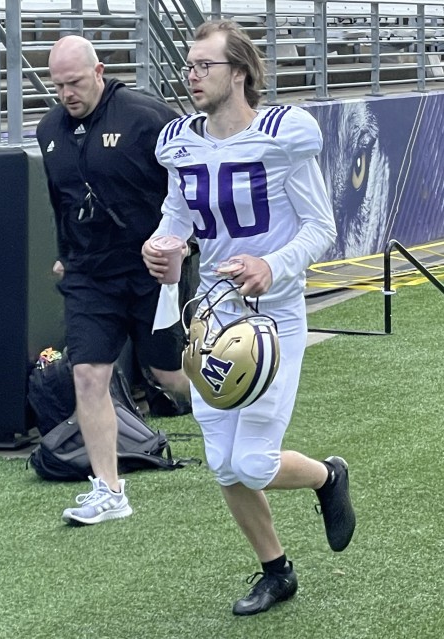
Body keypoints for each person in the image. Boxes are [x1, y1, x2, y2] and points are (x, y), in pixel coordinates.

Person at [141, 20, 355, 617]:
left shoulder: (283, 134)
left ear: (239, 72)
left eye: (204, 65)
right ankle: (276, 570)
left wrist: (272, 265)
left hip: (272, 317)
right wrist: (164, 247)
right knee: (222, 464)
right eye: (188, 65)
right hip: (210, 314)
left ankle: (327, 477)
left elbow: (320, 228)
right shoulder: (181, 140)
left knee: (253, 462)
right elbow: (176, 216)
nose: (192, 75)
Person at [36, 35, 191, 525]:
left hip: (151, 269)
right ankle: (108, 489)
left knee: (168, 375)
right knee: (88, 374)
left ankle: (237, 408)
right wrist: (66, 256)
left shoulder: (148, 117)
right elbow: (59, 200)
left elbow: (189, 189)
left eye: (75, 82)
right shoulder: (49, 130)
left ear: (99, 71)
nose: (67, 94)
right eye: (58, 85)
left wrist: (184, 247)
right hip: (90, 275)